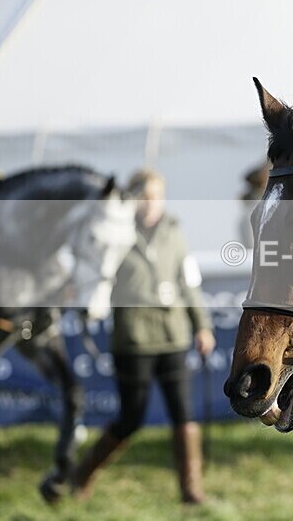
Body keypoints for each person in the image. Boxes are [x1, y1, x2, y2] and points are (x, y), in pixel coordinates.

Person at [62, 169, 216, 504]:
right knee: (131, 417)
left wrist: (201, 326)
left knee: (183, 414)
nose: (152, 204)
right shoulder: (114, 233)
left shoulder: (174, 230)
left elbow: (188, 283)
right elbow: (90, 268)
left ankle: (191, 491)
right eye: (145, 197)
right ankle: (81, 475)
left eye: (157, 196)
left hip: (173, 334)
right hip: (133, 338)